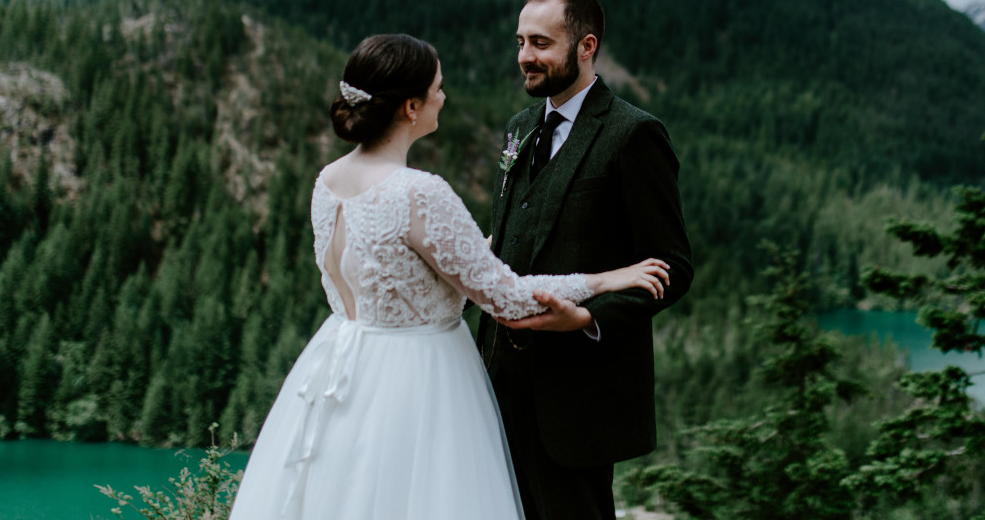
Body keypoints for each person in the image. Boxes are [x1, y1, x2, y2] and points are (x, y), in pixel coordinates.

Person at [228, 33, 671, 520]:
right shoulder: (419, 192)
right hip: (420, 380)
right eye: (438, 88)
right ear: (412, 107)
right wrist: (604, 280)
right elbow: (508, 299)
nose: (445, 96)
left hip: (345, 367)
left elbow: (383, 273)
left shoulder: (328, 182)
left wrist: (463, 258)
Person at [477, 0, 694, 520]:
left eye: (542, 43)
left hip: (576, 395)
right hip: (495, 380)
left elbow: (672, 266)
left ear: (586, 46)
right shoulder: (520, 128)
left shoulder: (633, 134)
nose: (526, 56)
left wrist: (586, 319)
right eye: (521, 41)